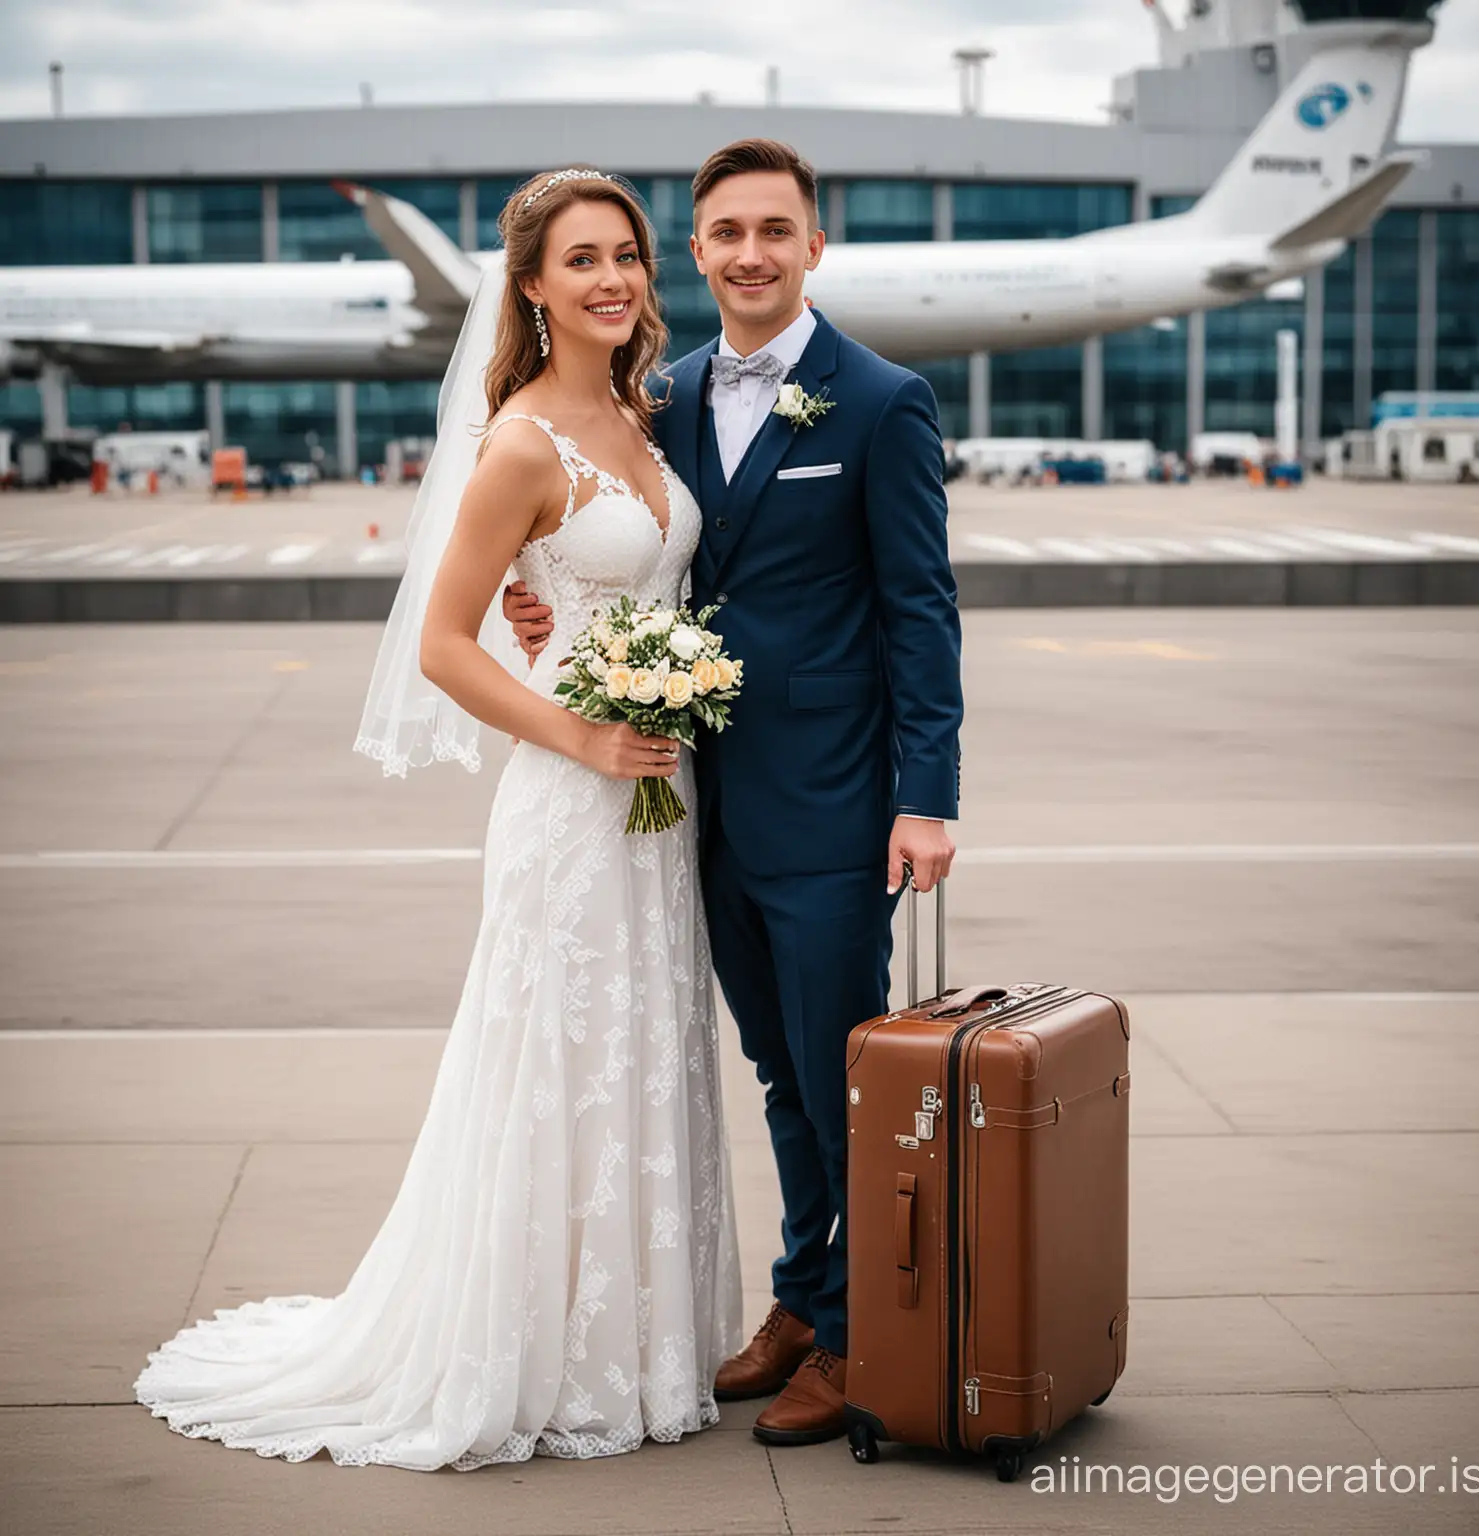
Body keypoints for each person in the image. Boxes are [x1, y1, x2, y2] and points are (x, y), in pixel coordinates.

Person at [133, 168, 741, 1472]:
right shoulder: (522, 440)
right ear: (530, 286)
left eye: (627, 255)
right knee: (558, 1074)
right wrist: (583, 732)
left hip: (661, 803)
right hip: (571, 809)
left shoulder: (645, 413)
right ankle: (542, 1356)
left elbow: (610, 586)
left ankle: (644, 1351)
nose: (614, 279)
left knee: (644, 1058)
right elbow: (448, 649)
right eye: (581, 260)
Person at [506, 139, 964, 1447]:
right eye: (725, 233)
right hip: (686, 805)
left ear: (813, 245)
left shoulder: (881, 401)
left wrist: (923, 796)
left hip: (830, 806)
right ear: (696, 256)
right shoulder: (664, 394)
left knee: (843, 1078)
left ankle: (864, 1333)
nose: (751, 253)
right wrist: (546, 611)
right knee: (776, 1071)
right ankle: (805, 1300)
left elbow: (920, 613)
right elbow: (627, 551)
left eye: (777, 230)